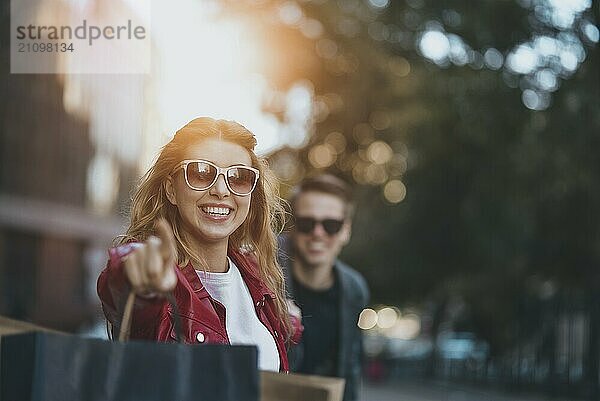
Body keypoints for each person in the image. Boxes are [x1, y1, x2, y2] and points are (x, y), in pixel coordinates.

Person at [97, 117, 296, 372]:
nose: (221, 190)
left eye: (239, 177)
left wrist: (290, 321)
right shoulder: (155, 279)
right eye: (201, 173)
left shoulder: (256, 276)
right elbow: (124, 279)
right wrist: (136, 271)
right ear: (171, 189)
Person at [280, 174, 370, 401]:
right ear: (292, 226)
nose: (317, 233)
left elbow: (348, 369)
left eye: (331, 225)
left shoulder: (354, 288)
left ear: (346, 231)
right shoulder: (262, 273)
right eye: (306, 223)